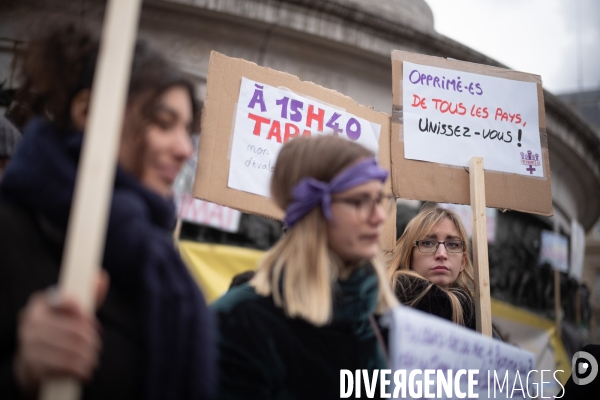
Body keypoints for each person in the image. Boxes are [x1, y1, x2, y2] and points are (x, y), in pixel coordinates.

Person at [0, 22, 215, 399]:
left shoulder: (157, 259)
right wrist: (22, 370)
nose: (184, 149)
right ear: (88, 111)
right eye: (164, 123)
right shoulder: (11, 228)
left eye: (187, 129)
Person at [212, 135, 398, 399]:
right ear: (313, 209)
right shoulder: (241, 322)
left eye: (379, 199)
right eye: (359, 201)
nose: (379, 216)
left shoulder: (382, 319)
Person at [388, 205, 476, 329]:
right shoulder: (382, 304)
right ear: (409, 255)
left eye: (452, 244)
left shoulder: (479, 322)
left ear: (463, 262)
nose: (441, 254)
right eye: (428, 243)